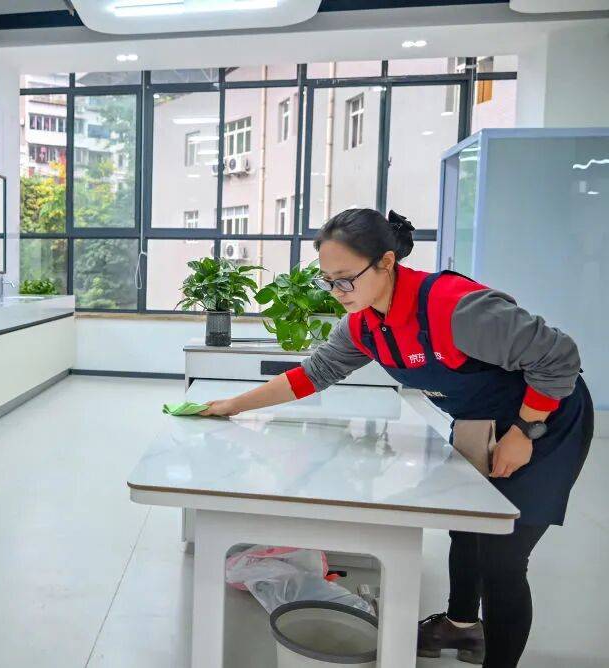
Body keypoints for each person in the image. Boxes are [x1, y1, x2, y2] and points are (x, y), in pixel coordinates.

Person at [202, 208, 593, 667]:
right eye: (329, 281)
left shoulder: (456, 308)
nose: (338, 292)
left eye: (346, 279)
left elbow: (559, 356)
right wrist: (233, 405)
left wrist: (525, 431)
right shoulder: (363, 324)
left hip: (544, 418)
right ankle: (461, 627)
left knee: (503, 557)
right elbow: (313, 374)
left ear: (386, 262)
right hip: (480, 421)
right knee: (466, 527)